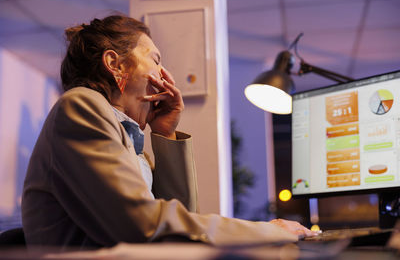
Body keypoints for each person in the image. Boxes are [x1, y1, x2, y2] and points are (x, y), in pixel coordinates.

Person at [21, 15, 315, 249]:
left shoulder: (126, 137)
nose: (165, 75)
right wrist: (267, 231)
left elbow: (179, 225)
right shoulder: (80, 105)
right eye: (156, 60)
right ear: (115, 64)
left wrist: (165, 134)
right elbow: (144, 225)